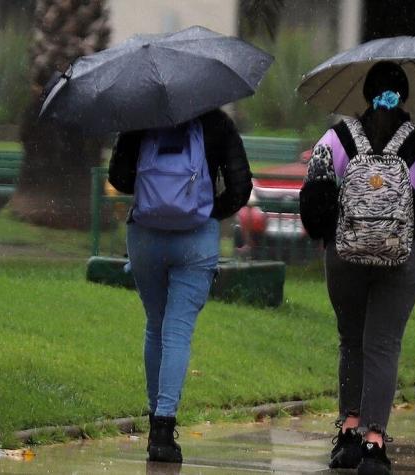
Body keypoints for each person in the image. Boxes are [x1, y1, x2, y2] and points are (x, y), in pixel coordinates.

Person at [299, 61, 415, 475]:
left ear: (364, 93)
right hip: (402, 258)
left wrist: (333, 234)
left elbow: (313, 197)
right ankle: (374, 444)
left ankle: (348, 434)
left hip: (344, 256)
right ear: (405, 96)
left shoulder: (335, 138)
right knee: (383, 345)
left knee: (351, 340)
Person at [108, 109, 252, 463]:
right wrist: (202, 209)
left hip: (144, 237)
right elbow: (240, 187)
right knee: (177, 332)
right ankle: (163, 426)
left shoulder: (139, 119)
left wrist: (157, 196)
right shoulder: (217, 123)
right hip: (195, 240)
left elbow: (119, 177)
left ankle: (153, 421)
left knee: (155, 326)